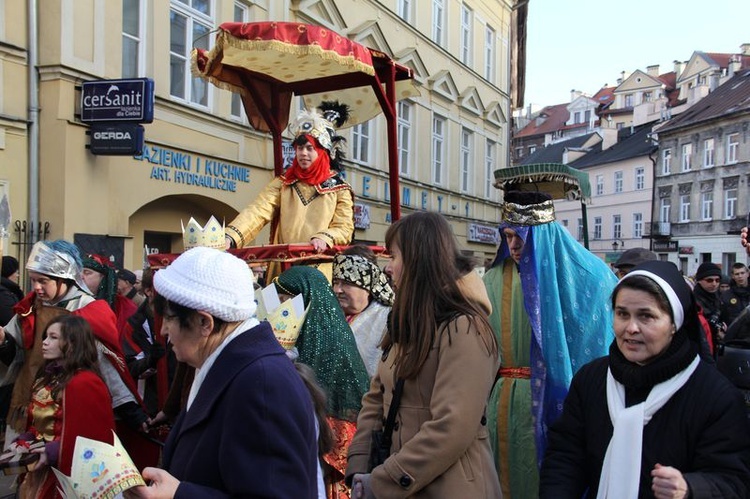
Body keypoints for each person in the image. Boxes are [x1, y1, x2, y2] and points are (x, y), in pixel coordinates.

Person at [540, 260, 750, 498]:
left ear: (674, 324)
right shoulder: (591, 379)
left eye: (646, 316)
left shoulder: (715, 396)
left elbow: (734, 481)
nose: (631, 328)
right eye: (622, 314)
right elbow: (565, 459)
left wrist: (690, 488)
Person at [128, 246, 318, 498]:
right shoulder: (223, 363)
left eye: (170, 319)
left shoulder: (262, 384)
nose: (163, 331)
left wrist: (180, 494)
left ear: (204, 323)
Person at [346, 212, 502, 498]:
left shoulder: (464, 327)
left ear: (419, 260)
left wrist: (383, 480)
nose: (388, 268)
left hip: (450, 487)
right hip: (400, 483)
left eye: (393, 257)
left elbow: (452, 426)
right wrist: (359, 466)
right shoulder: (407, 322)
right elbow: (376, 398)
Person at [483, 190, 617, 498]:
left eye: (520, 237)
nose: (513, 247)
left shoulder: (591, 278)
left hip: (566, 402)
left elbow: (599, 345)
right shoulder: (493, 279)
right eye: (507, 237)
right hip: (501, 402)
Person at [0, 240, 146, 444]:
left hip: (66, 406)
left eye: (42, 281)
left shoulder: (88, 308)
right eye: (33, 280)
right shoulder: (32, 305)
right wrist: (3, 341)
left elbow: (105, 363)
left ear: (64, 278)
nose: (36, 288)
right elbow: (18, 353)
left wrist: (129, 409)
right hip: (27, 401)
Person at [225, 102, 354, 281]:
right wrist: (230, 237)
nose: (303, 153)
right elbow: (257, 211)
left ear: (323, 152)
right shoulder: (283, 183)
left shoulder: (340, 189)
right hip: (282, 271)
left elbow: (345, 229)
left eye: (310, 148)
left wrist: (326, 237)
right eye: (300, 148)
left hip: (317, 273)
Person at [274, 265, 370, 498]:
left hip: (329, 454)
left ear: (305, 300)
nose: (281, 308)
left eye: (286, 299)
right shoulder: (302, 335)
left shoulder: (334, 344)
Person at [14, 315, 115, 498]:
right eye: (45, 337)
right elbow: (40, 422)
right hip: (41, 469)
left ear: (73, 343)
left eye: (53, 337)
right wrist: (26, 440)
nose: (44, 342)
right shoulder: (47, 377)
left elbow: (92, 438)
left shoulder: (85, 382)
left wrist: (52, 451)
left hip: (65, 475)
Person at [332, 245, 394, 377]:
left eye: (346, 283)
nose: (337, 290)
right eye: (336, 282)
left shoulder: (387, 320)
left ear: (368, 287)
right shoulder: (329, 313)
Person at [81, 254, 138, 339]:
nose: (81, 276)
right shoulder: (74, 300)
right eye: (80, 272)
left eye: (87, 273)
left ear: (103, 277)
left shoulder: (125, 307)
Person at [693, 262, 726, 347]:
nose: (714, 284)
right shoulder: (693, 299)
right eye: (709, 280)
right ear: (699, 281)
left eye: (717, 280)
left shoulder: (718, 297)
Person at [721, 262, 750, 327]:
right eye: (737, 274)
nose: (740, 276)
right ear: (733, 276)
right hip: (735, 334)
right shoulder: (726, 296)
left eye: (742, 273)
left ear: (747, 274)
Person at [0, 256, 24, 326]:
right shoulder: (4, 295)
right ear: (9, 272)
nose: (18, 275)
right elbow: (11, 322)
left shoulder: (7, 291)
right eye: (16, 272)